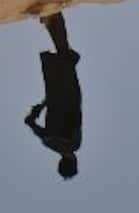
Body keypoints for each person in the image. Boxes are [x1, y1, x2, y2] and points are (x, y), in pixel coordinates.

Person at [23, 11, 82, 180]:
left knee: (64, 56)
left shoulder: (73, 145)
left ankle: (53, 16)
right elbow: (29, 122)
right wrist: (42, 106)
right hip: (54, 96)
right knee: (62, 57)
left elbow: (75, 121)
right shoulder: (49, 143)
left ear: (74, 162)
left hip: (69, 96)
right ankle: (50, 20)